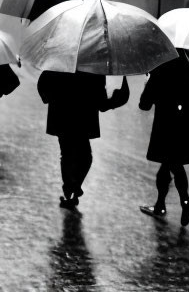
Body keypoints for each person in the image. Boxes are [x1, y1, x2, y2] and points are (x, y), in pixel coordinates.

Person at [38, 70, 130, 209]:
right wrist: (117, 100)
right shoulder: (94, 69)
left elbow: (43, 85)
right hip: (83, 119)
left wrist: (53, 97)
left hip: (62, 116)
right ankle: (73, 188)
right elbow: (102, 104)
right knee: (84, 157)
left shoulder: (61, 62)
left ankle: (70, 188)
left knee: (68, 154)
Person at [138, 50, 189, 226]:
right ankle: (160, 205)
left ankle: (185, 202)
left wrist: (148, 82)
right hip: (186, 125)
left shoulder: (161, 68)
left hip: (166, 125)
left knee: (172, 163)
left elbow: (144, 104)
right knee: (167, 166)